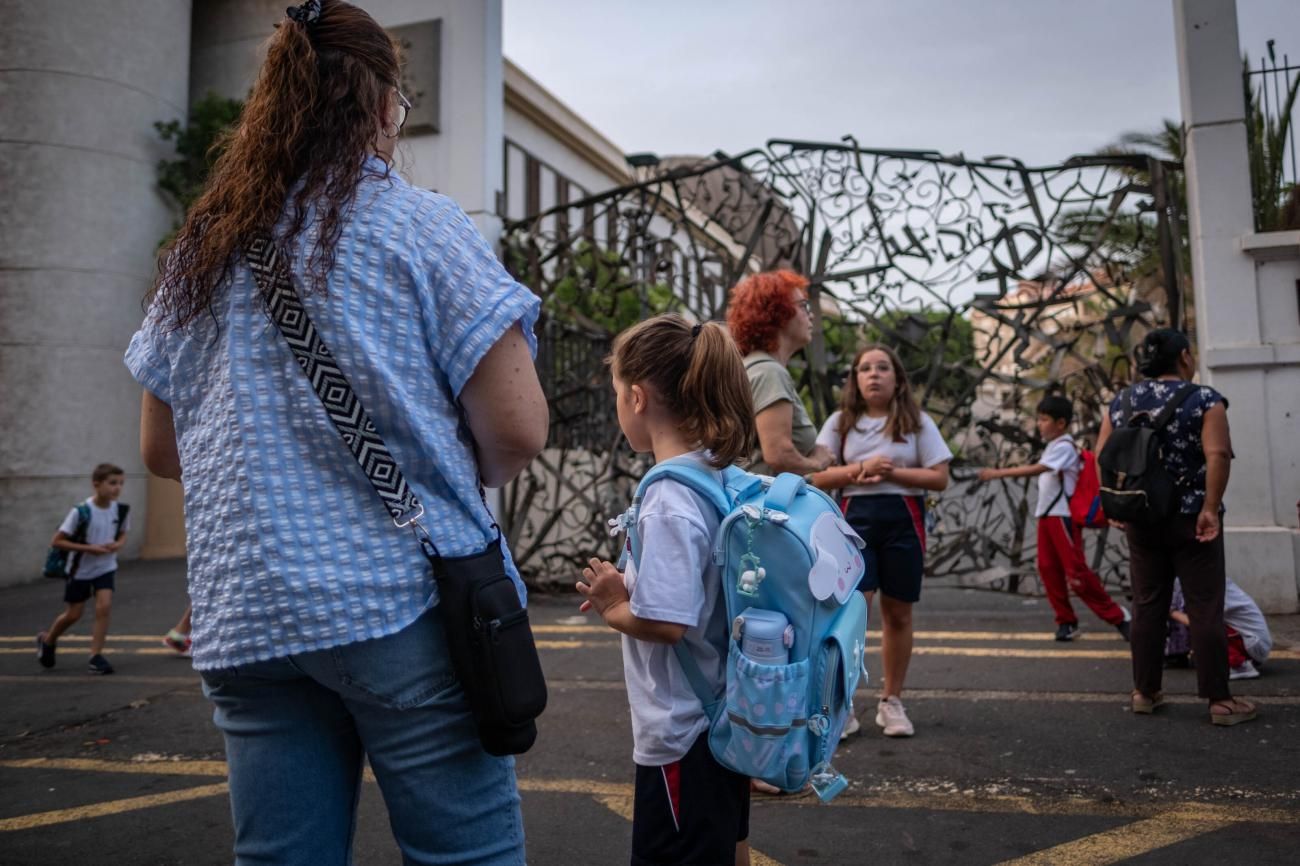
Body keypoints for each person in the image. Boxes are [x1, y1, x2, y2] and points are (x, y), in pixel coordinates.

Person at [124, 2, 548, 862]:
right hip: (401, 605)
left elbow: (161, 453)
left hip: (247, 615)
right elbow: (517, 431)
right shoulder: (420, 227)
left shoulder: (202, 251)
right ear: (386, 104)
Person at [577, 314, 755, 866]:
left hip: (682, 733)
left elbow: (667, 623)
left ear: (635, 397)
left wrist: (614, 604)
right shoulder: (711, 474)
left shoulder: (668, 500)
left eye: (614, 394)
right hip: (718, 714)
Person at [1095, 329, 1255, 726]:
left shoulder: (1123, 401)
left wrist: (1114, 502)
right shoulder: (1204, 399)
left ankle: (1144, 692)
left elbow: (1102, 453)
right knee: (1204, 605)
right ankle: (1219, 700)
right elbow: (1217, 453)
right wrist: (1210, 508)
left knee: (1148, 604)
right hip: (1190, 515)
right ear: (1184, 357)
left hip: (1143, 516)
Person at [810, 345, 951, 738]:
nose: (874, 374)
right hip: (854, 524)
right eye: (865, 368)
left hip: (905, 521)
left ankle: (891, 702)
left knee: (899, 614)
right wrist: (859, 469)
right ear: (855, 379)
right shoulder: (840, 423)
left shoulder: (916, 421)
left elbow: (940, 477)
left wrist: (894, 474)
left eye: (883, 367)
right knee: (853, 614)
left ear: (898, 378)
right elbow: (817, 478)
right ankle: (842, 705)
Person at [977, 396, 1131, 642]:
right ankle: (1066, 622)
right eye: (1038, 419)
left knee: (1076, 574)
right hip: (1048, 516)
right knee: (1048, 569)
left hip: (1062, 516)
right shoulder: (1054, 446)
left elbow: (1040, 468)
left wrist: (998, 473)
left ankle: (1119, 617)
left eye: (1044, 419)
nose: (1039, 424)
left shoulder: (1064, 447)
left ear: (1061, 423)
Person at [726, 270, 835, 477]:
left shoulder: (751, 367)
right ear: (778, 313)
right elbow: (778, 456)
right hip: (765, 503)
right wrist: (817, 463)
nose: (811, 314)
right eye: (803, 306)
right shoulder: (769, 372)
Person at [36, 463, 130, 675]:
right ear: (96, 484)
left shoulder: (121, 510)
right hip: (80, 570)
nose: (117, 488)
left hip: (106, 567)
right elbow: (57, 541)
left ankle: (95, 656)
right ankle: (48, 640)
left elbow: (123, 533)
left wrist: (118, 544)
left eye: (121, 483)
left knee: (103, 607)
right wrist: (89, 549)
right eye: (112, 483)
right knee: (73, 614)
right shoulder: (81, 511)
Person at [1167, 577, 1273, 679]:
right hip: (1251, 641)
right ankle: (1233, 660)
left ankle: (1238, 665)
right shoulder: (1213, 580)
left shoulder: (1212, 586)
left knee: (1206, 630)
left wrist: (1171, 612)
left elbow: (1199, 622)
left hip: (1253, 643)